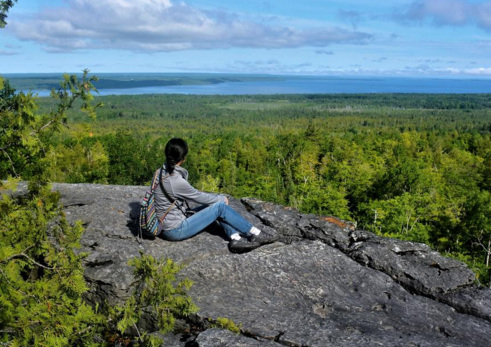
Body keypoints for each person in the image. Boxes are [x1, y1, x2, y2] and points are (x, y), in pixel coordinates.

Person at [154, 138, 277, 252]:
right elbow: (199, 197)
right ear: (183, 158)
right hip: (175, 230)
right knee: (219, 206)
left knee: (214, 208)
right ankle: (255, 233)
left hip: (167, 222)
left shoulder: (159, 172)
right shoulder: (176, 181)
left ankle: (235, 238)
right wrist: (221, 199)